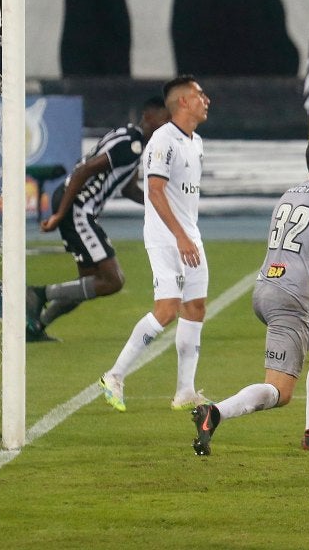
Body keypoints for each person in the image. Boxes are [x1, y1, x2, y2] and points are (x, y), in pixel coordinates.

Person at [190, 133, 309, 455]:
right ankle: (215, 413)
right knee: (280, 390)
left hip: (269, 287)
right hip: (291, 301)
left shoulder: (288, 195)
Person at [98, 75, 210, 412]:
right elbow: (155, 191)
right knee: (167, 309)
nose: (207, 99)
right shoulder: (163, 141)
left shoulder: (196, 142)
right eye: (200, 94)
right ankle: (114, 375)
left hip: (189, 234)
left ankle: (185, 391)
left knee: (196, 307)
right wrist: (179, 236)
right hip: (166, 236)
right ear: (183, 102)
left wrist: (187, 235)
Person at [25, 97, 170, 342]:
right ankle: (39, 293)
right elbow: (84, 170)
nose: (166, 126)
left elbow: (128, 189)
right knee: (113, 281)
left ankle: (36, 326)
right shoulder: (130, 145)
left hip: (76, 206)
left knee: (87, 284)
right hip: (78, 208)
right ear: (148, 116)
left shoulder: (133, 142)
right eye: (164, 119)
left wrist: (163, 206)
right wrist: (60, 214)